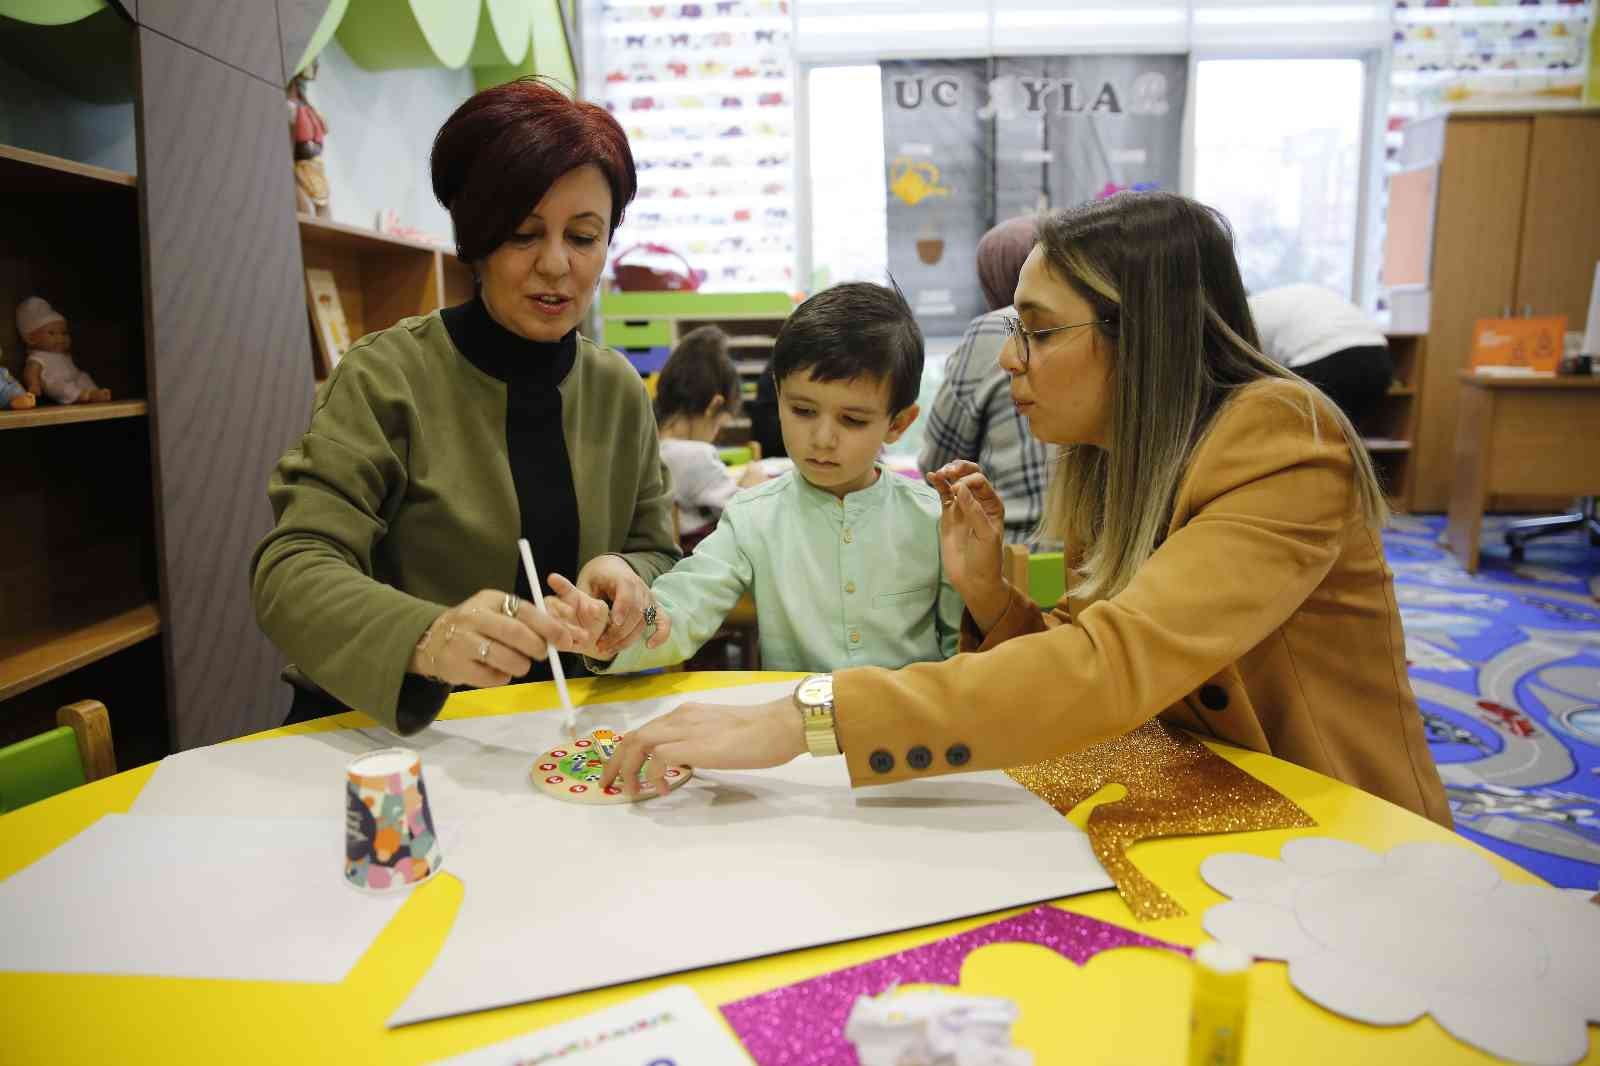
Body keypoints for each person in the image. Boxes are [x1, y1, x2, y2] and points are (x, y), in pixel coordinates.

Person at [598, 193, 1451, 828]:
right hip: (1196, 799)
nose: (1009, 358)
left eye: (1037, 332)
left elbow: (1109, 667)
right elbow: (1085, 673)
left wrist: (802, 718)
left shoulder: (1282, 443)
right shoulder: (1114, 465)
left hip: (1330, 822)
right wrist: (992, 600)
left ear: (1140, 333)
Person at [251, 78, 679, 736]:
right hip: (404, 738)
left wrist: (624, 577)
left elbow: (657, 549)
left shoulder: (617, 390)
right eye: (522, 234)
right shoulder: (388, 377)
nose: (557, 264)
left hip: (559, 733)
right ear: (477, 239)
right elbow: (294, 568)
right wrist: (429, 635)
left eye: (585, 236)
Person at [580, 282, 964, 676]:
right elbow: (685, 606)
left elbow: (962, 653)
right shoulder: (753, 517)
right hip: (792, 730)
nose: (822, 438)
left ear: (898, 423)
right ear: (778, 396)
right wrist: (614, 632)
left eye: (853, 420)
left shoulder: (933, 518)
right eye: (802, 410)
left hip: (904, 731)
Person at [919, 216, 1057, 545]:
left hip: (1012, 548)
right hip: (1094, 553)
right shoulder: (1085, 330)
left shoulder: (995, 329)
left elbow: (939, 463)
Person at [654, 325, 766, 550]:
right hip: (699, 562)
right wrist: (752, 486)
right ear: (714, 406)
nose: (715, 437)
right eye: (719, 426)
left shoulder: (651, 444)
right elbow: (746, 516)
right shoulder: (694, 455)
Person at [1247, 283, 1393, 428]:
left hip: (1324, 359)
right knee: (1342, 439)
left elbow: (1246, 372)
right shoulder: (1274, 299)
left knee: (1286, 434)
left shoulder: (1244, 314)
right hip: (1378, 358)